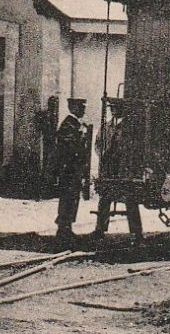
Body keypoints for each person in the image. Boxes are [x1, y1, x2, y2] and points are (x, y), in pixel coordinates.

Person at [92, 100, 143, 239]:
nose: (113, 110)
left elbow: (135, 147)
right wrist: (101, 154)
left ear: (122, 109)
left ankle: (136, 232)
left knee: (130, 199)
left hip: (124, 168)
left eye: (116, 108)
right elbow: (97, 143)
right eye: (112, 108)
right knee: (105, 198)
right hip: (108, 168)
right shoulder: (106, 126)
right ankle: (100, 229)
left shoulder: (130, 127)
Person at [53, 98, 90, 242]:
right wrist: (81, 137)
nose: (83, 110)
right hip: (69, 169)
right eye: (81, 107)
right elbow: (69, 148)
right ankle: (63, 228)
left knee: (72, 198)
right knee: (68, 198)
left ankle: (66, 228)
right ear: (73, 108)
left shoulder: (75, 124)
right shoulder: (69, 125)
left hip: (74, 169)